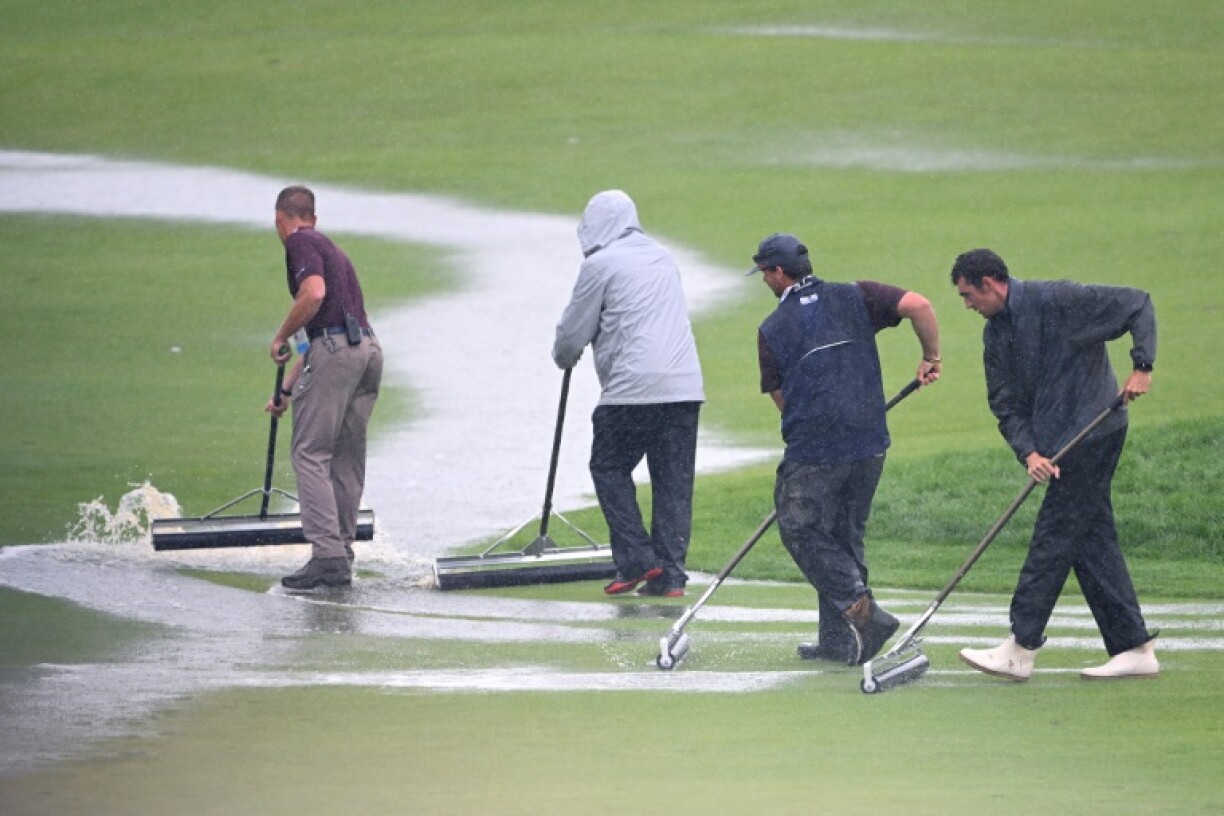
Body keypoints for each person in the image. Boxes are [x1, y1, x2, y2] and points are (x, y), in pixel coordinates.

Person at [951, 248, 1159, 681]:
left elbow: (1137, 302)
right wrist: (1029, 452)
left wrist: (1142, 365)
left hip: (1093, 434)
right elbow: (1004, 406)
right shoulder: (994, 336)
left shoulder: (1060, 300)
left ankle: (1021, 647)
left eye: (969, 295)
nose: (968, 305)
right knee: (1091, 541)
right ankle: (1133, 646)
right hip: (1055, 448)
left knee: (1053, 537)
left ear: (991, 283)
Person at [750, 233, 941, 666]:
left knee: (799, 527)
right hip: (870, 440)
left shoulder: (772, 329)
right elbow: (920, 306)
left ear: (778, 272)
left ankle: (862, 611)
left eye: (764, 272)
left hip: (816, 448)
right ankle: (839, 640)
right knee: (843, 534)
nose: (764, 280)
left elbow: (781, 399)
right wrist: (932, 356)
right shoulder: (857, 295)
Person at [552, 190, 704, 597]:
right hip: (685, 389)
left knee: (608, 467)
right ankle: (670, 576)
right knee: (673, 482)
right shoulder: (663, 257)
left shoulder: (599, 265)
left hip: (632, 391)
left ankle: (637, 560)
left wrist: (563, 356)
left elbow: (571, 334)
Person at [266, 186, 383, 590]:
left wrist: (280, 335)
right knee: (346, 457)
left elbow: (313, 295)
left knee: (309, 453)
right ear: (313, 216)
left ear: (281, 218)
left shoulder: (300, 242)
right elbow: (324, 336)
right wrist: (285, 392)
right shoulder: (333, 250)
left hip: (336, 353)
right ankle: (341, 552)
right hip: (367, 351)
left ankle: (327, 557)